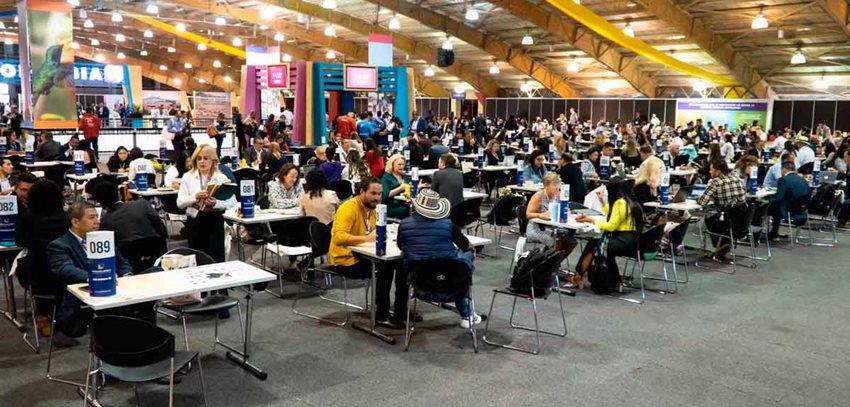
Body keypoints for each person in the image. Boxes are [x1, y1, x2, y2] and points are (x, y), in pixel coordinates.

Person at [46, 201, 136, 337]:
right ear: (76, 222)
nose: (97, 221)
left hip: (116, 288)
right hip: (85, 294)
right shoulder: (59, 245)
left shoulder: (103, 240)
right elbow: (66, 269)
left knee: (154, 271)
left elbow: (123, 263)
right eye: (92, 217)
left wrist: (127, 276)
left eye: (97, 217)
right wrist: (97, 278)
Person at [330, 177, 409, 328]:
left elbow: (374, 232)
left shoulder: (373, 209)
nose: (377, 198)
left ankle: (401, 310)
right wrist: (367, 238)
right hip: (344, 258)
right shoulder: (348, 208)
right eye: (373, 193)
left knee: (402, 263)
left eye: (379, 194)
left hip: (364, 253)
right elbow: (338, 237)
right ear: (361, 192)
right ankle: (382, 314)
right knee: (384, 268)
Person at [396, 189, 482, 328]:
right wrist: (470, 253)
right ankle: (467, 313)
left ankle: (399, 309)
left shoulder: (404, 224)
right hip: (450, 284)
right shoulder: (448, 225)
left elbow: (401, 247)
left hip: (419, 283)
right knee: (463, 262)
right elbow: (466, 245)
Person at [570, 177, 644, 291]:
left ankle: (578, 277)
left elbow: (611, 226)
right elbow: (613, 214)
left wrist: (591, 220)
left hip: (622, 241)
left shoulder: (620, 204)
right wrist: (601, 201)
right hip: (633, 240)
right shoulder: (629, 201)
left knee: (595, 245)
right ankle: (613, 280)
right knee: (596, 243)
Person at [15, 180, 69, 336]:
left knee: (33, 267)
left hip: (36, 275)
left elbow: (20, 242)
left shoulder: (26, 220)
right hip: (64, 274)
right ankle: (55, 311)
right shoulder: (67, 219)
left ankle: (43, 314)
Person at [177, 144, 237, 263]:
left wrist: (216, 203)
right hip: (195, 220)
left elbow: (232, 202)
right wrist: (195, 197)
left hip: (215, 220)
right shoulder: (187, 177)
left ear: (213, 160)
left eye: (205, 158)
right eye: (199, 159)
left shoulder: (221, 177)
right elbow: (180, 203)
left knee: (216, 257)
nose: (202, 162)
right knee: (197, 258)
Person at [91, 182, 168, 272]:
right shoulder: (143, 204)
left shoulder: (104, 222)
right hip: (159, 255)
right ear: (119, 194)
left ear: (100, 202)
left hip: (130, 265)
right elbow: (162, 230)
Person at [698, 159, 747, 260]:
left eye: (711, 170)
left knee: (708, 219)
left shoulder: (715, 182)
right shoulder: (737, 179)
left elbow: (703, 202)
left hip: (724, 219)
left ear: (718, 171)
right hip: (741, 219)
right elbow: (742, 200)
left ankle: (719, 246)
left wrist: (699, 198)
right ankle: (725, 244)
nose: (709, 172)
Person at [525, 173, 579, 253]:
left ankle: (555, 262)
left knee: (572, 242)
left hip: (553, 228)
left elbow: (566, 209)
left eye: (558, 184)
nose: (557, 187)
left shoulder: (557, 195)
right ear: (546, 186)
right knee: (558, 242)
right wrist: (540, 215)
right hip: (536, 229)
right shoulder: (538, 196)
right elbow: (528, 214)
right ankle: (549, 262)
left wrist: (566, 210)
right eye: (554, 185)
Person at [768, 161, 811, 240]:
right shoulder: (803, 180)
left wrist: (768, 201)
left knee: (769, 207)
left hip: (788, 210)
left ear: (784, 170)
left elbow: (778, 197)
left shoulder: (783, 180)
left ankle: (771, 232)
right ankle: (773, 232)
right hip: (802, 209)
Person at [380, 154, 410, 219]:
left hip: (404, 203)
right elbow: (385, 195)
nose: (402, 166)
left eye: (403, 164)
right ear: (392, 165)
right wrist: (400, 188)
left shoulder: (404, 176)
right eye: (399, 164)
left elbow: (407, 189)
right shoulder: (386, 177)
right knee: (407, 211)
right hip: (391, 206)